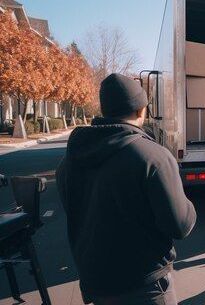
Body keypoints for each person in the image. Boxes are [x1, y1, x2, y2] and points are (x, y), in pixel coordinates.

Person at [56, 73, 197, 305]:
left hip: (98, 286)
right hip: (145, 287)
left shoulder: (69, 161)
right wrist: (187, 203)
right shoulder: (153, 157)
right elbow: (180, 225)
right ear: (141, 110)